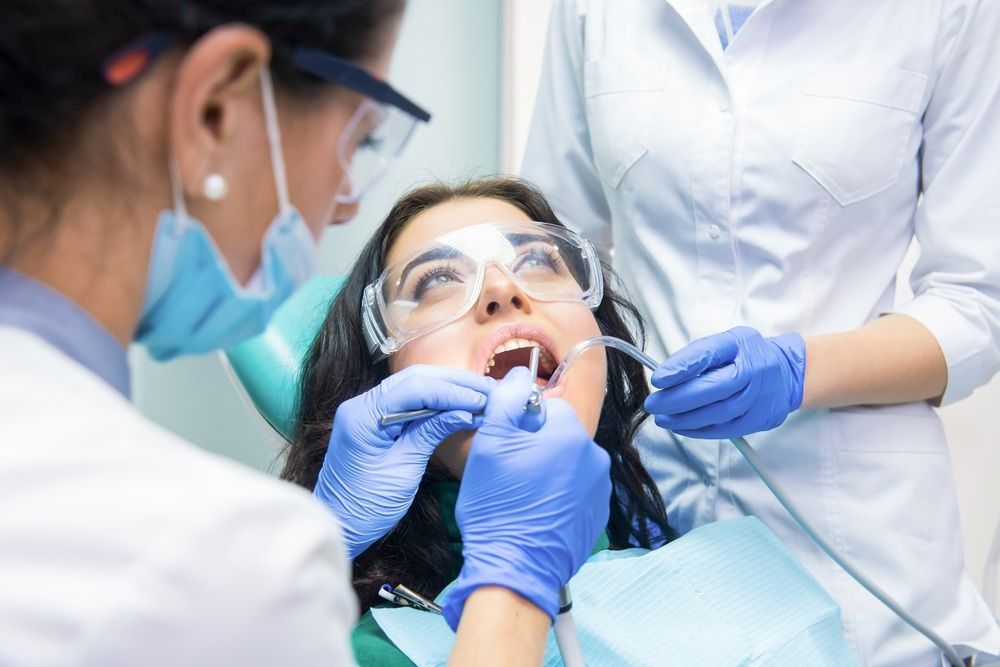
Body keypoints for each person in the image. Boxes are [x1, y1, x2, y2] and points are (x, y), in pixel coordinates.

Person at [0, 3, 611, 665]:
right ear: (216, 106)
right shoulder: (212, 565)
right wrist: (515, 582)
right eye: (360, 136)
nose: (347, 200)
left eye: (538, 260)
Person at [522, 1, 1000, 664]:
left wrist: (800, 369)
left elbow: (976, 300)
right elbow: (550, 248)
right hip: (652, 513)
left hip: (856, 543)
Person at [284, 176, 859, 665]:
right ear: (382, 382)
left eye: (537, 260)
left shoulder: (747, 585)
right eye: (436, 281)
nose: (504, 291)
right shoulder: (352, 648)